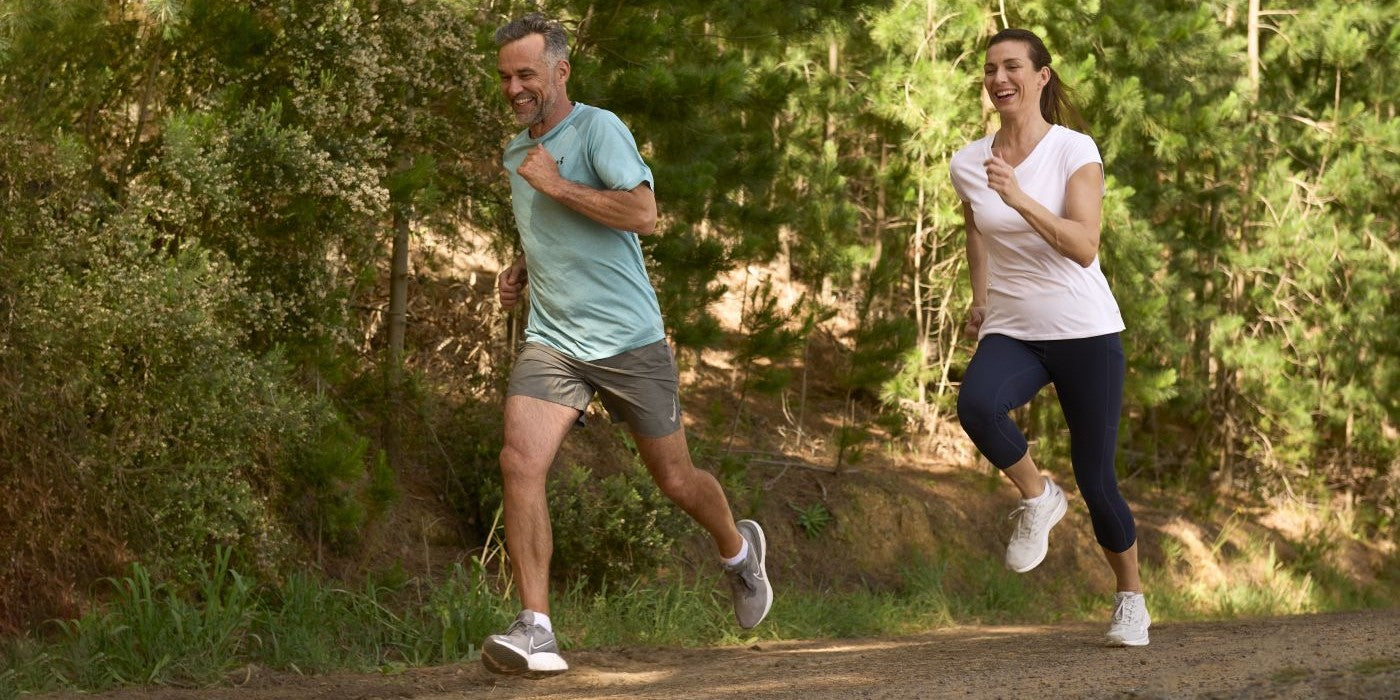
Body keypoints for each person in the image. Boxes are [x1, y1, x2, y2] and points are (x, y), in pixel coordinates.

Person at [482, 14, 773, 677]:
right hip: (554, 340)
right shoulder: (514, 152)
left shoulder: (599, 129)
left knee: (674, 479)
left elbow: (642, 212)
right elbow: (552, 227)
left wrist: (555, 184)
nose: (514, 88)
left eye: (526, 73)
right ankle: (537, 629)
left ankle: (736, 550)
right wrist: (523, 265)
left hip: (628, 340)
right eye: (505, 76)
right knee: (519, 462)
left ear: (560, 71)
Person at [949, 28, 1150, 647]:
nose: (999, 78)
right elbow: (978, 230)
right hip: (1014, 326)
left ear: (1041, 77)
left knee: (1098, 480)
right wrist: (980, 299)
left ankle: (1131, 599)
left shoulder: (1073, 149)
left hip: (1084, 329)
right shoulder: (966, 161)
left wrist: (1019, 195)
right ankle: (1038, 496)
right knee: (976, 405)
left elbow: (1084, 246)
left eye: (1012, 66)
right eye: (990, 69)